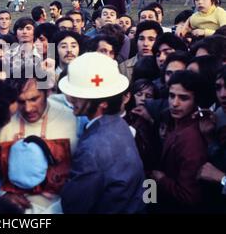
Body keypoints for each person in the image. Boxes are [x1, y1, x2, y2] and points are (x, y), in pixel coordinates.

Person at [59, 52, 145, 213]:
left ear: (103, 103)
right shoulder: (119, 124)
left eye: (79, 96)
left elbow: (74, 205)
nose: (71, 99)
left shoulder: (92, 148)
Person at [0, 68, 79, 213]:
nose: (28, 109)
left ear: (47, 93)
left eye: (34, 99)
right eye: (20, 102)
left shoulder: (70, 119)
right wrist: (2, 194)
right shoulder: (3, 121)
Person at [150, 71, 209, 212]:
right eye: (171, 96)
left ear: (196, 100)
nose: (175, 103)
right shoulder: (171, 121)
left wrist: (161, 179)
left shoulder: (190, 138)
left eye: (183, 98)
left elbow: (190, 196)